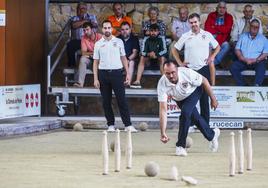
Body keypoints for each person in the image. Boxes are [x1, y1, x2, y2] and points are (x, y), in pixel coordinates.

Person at [157, 61, 220, 156]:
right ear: (164, 72)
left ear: (177, 69)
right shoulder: (162, 84)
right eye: (167, 73)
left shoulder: (187, 73)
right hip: (180, 98)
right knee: (195, 118)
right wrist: (163, 132)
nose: (171, 76)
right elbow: (163, 110)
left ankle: (180, 146)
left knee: (186, 113)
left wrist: (213, 98)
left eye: (173, 72)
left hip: (194, 91)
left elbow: (204, 81)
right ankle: (212, 135)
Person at [172, 13, 220, 124]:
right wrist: (180, 63)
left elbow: (217, 47)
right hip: (190, 70)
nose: (194, 24)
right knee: (189, 99)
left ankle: (205, 124)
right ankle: (191, 124)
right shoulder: (185, 35)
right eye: (191, 22)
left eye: (195, 22)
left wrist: (211, 57)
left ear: (199, 22)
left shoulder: (207, 34)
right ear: (189, 24)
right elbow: (174, 50)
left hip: (203, 69)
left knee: (204, 99)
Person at [93, 20, 137, 133]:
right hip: (103, 74)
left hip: (117, 73)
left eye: (109, 28)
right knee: (106, 101)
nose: (107, 30)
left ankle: (128, 125)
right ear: (102, 29)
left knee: (122, 100)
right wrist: (95, 78)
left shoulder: (119, 42)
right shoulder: (98, 44)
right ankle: (110, 125)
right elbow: (95, 62)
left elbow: (124, 58)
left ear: (112, 29)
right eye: (105, 28)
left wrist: (127, 74)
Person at [230, 19, 268, 86]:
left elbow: (265, 53)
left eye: (256, 27)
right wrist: (243, 59)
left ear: (259, 28)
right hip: (244, 61)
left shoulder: (264, 39)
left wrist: (256, 60)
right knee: (233, 67)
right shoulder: (242, 36)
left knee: (262, 67)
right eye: (253, 26)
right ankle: (243, 85)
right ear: (249, 26)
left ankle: (256, 86)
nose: (254, 28)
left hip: (257, 61)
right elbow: (237, 49)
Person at [131, 24, 167, 88]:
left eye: (155, 31)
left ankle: (165, 81)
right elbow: (142, 52)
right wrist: (148, 54)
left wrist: (156, 54)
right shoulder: (146, 39)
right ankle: (137, 81)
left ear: (158, 32)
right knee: (142, 57)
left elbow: (164, 50)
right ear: (149, 31)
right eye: (152, 31)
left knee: (162, 58)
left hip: (158, 60)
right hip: (148, 60)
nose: (153, 33)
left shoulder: (161, 38)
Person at [67, 2, 98, 67]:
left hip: (90, 41)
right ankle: (72, 66)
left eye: (83, 8)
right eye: (79, 8)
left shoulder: (92, 16)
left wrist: (81, 23)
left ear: (86, 9)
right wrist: (85, 21)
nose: (81, 10)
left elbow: (94, 25)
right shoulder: (74, 18)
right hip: (78, 41)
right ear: (77, 10)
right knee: (70, 44)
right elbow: (74, 25)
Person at [204, 1, 233, 67]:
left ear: (226, 9)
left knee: (227, 46)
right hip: (212, 38)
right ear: (217, 8)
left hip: (223, 39)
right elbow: (207, 29)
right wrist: (220, 30)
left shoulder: (229, 17)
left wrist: (214, 27)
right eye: (220, 7)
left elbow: (226, 30)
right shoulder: (211, 15)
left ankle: (213, 63)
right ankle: (208, 62)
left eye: (223, 8)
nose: (221, 10)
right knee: (207, 43)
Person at [73, 22, 102, 88]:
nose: (85, 32)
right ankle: (80, 83)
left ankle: (102, 83)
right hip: (91, 59)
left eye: (87, 29)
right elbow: (83, 53)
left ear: (92, 29)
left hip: (100, 61)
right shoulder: (84, 38)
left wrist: (94, 54)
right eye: (84, 30)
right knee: (83, 59)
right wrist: (93, 53)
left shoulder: (100, 37)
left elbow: (103, 52)